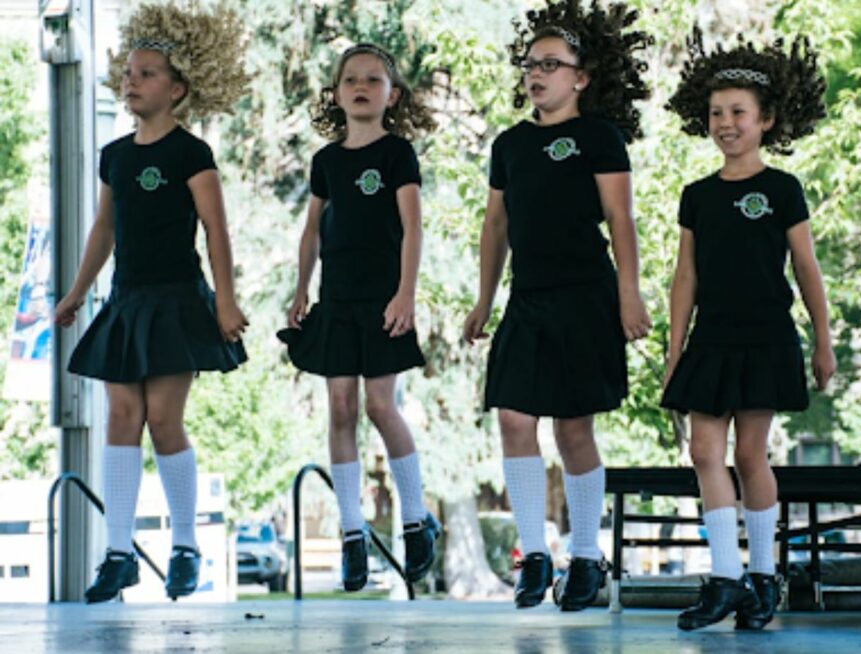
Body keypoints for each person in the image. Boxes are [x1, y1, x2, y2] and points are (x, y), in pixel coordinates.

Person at [53, 0, 249, 603]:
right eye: (129, 73)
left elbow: (216, 231)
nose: (131, 82)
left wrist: (225, 302)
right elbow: (104, 230)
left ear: (177, 89)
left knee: (164, 419)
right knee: (119, 417)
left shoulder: (191, 155)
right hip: (127, 301)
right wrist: (78, 293)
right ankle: (118, 553)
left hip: (176, 303)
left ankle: (185, 545)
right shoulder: (114, 155)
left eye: (146, 74)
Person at [462, 0, 652, 611]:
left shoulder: (598, 136)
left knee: (574, 429)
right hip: (528, 298)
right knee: (514, 418)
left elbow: (620, 218)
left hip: (587, 297)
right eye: (530, 65)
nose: (537, 74)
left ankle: (587, 560)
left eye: (551, 64)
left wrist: (630, 294)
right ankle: (534, 554)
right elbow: (496, 226)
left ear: (581, 76)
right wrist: (483, 300)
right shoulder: (509, 144)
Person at [662, 28, 834, 631]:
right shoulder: (697, 195)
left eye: (738, 112)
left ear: (766, 121)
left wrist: (824, 340)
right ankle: (726, 578)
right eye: (716, 113)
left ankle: (763, 576)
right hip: (711, 339)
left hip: (765, 336)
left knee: (750, 452)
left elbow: (807, 269)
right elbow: (685, 277)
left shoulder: (782, 188)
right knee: (703, 450)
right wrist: (674, 347)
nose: (725, 123)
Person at [278, 42, 440, 590]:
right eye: (351, 79)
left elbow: (412, 228)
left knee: (379, 403)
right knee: (341, 407)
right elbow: (312, 232)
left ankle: (415, 519)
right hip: (337, 300)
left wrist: (405, 293)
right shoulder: (326, 161)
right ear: (338, 92)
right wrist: (301, 290)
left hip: (383, 299)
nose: (362, 86)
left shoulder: (397, 155)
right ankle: (352, 532)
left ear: (391, 95)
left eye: (374, 79)